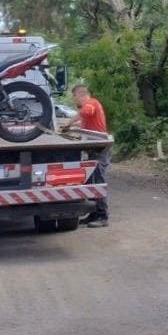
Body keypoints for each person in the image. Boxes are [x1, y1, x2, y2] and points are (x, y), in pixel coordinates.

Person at [64, 84, 110, 228]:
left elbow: (85, 112)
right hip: (93, 148)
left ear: (80, 94)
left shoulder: (91, 104)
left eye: (74, 97)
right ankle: (94, 214)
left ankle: (103, 216)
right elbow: (85, 121)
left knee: (98, 180)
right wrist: (74, 128)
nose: (74, 101)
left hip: (100, 149)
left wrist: (68, 123)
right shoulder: (90, 106)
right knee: (91, 182)